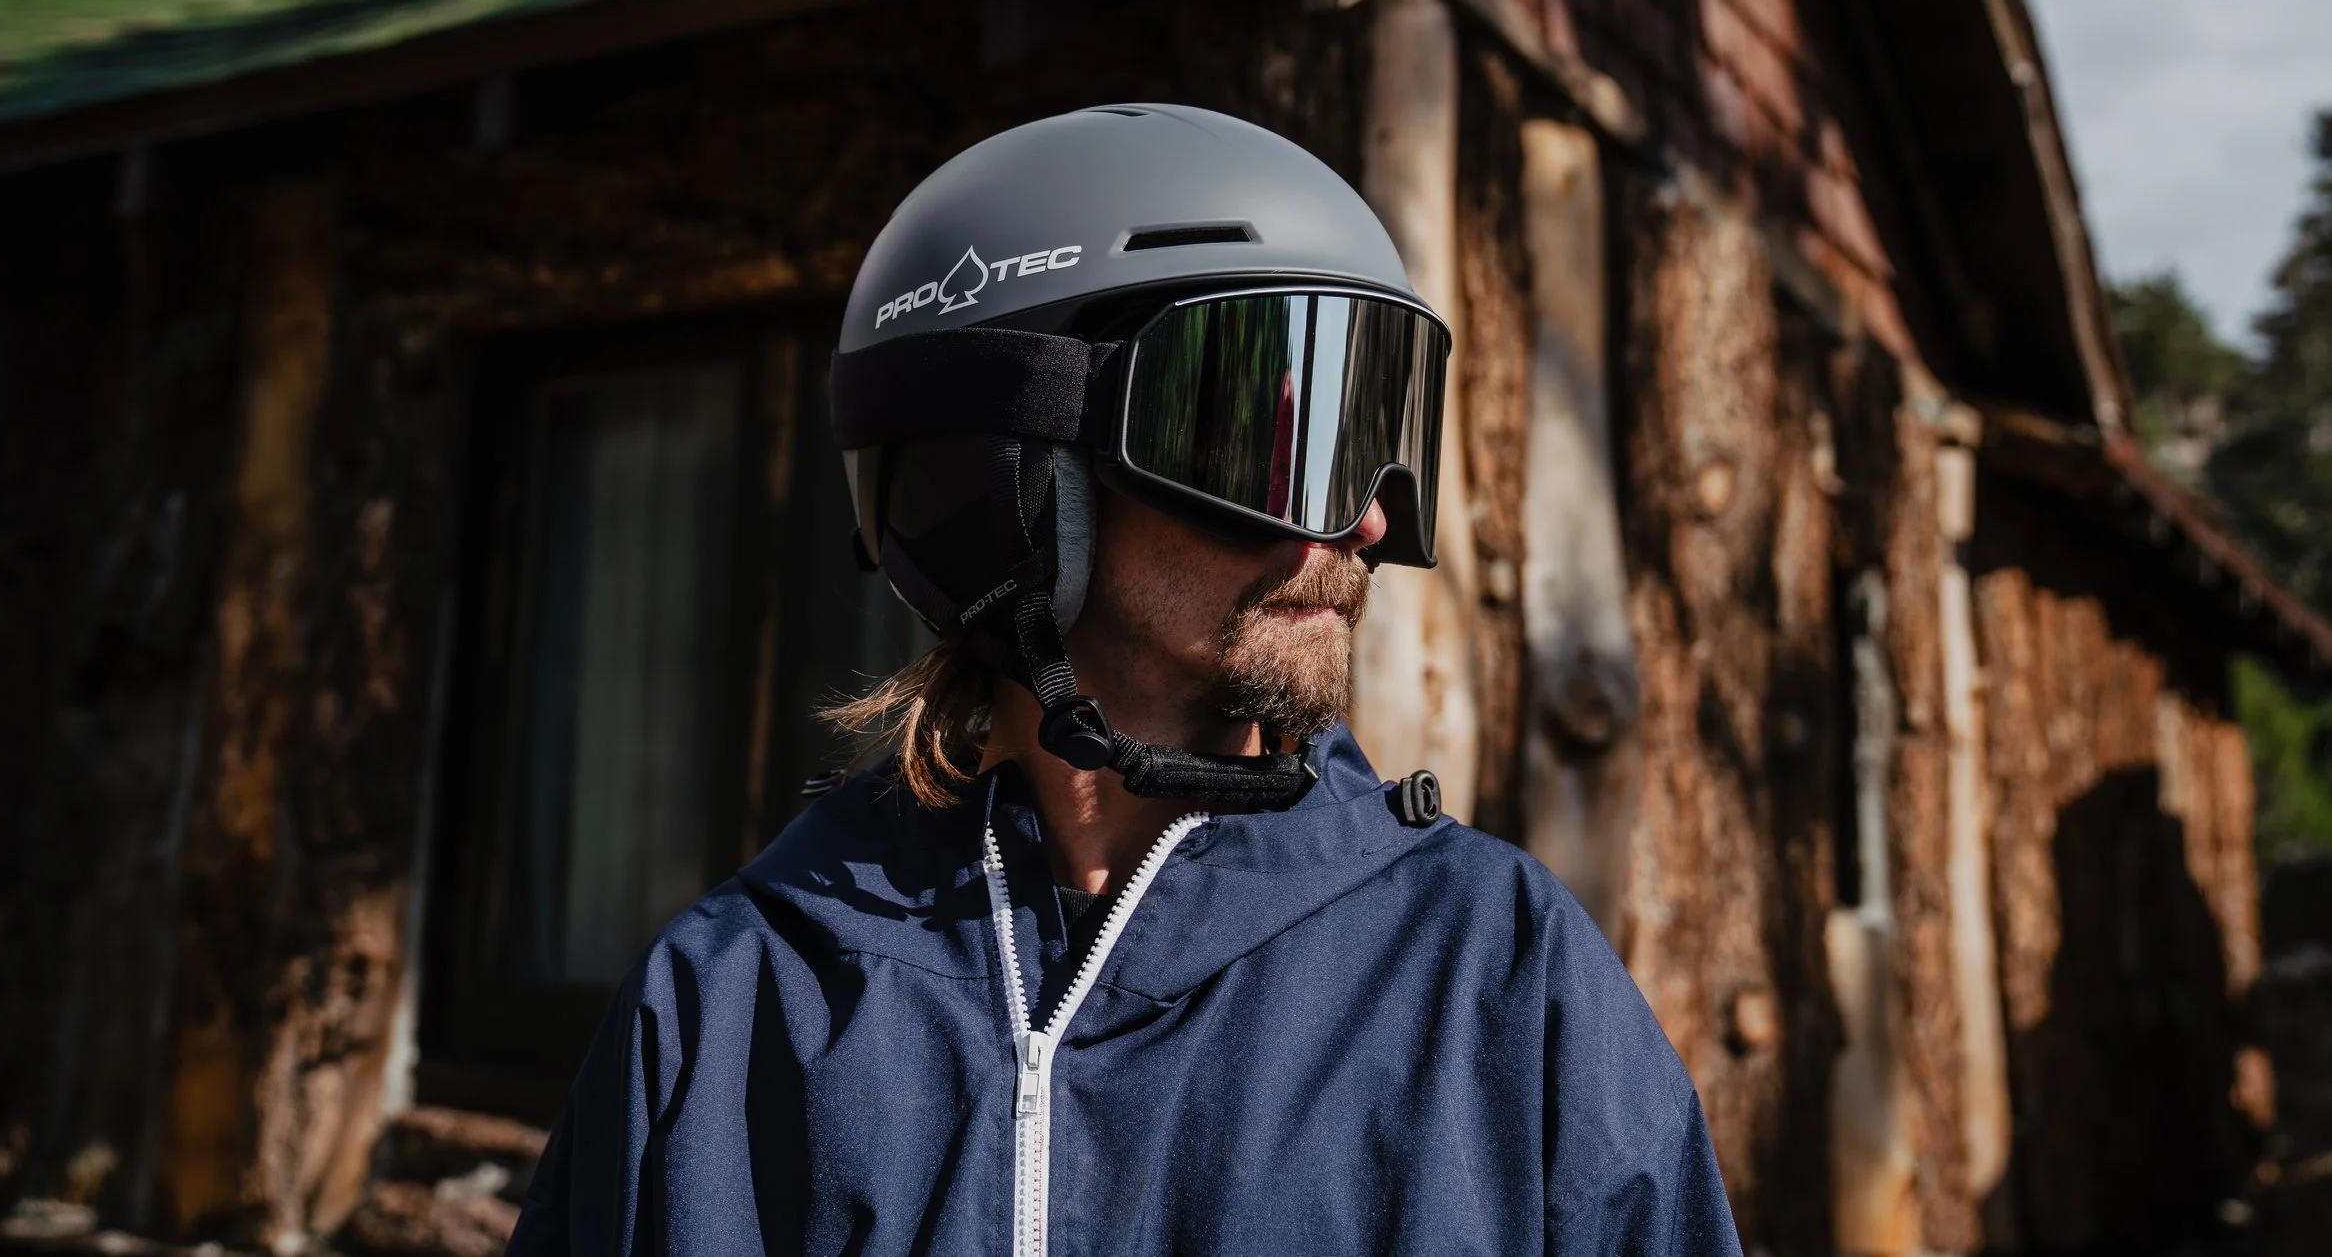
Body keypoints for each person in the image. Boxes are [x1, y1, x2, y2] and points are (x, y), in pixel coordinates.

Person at [507, 104, 1743, 1257]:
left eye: (1373, 433)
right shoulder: (737, 1007)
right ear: (1003, 479)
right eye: (1277, 439)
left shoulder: (1493, 978)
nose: (1364, 522)